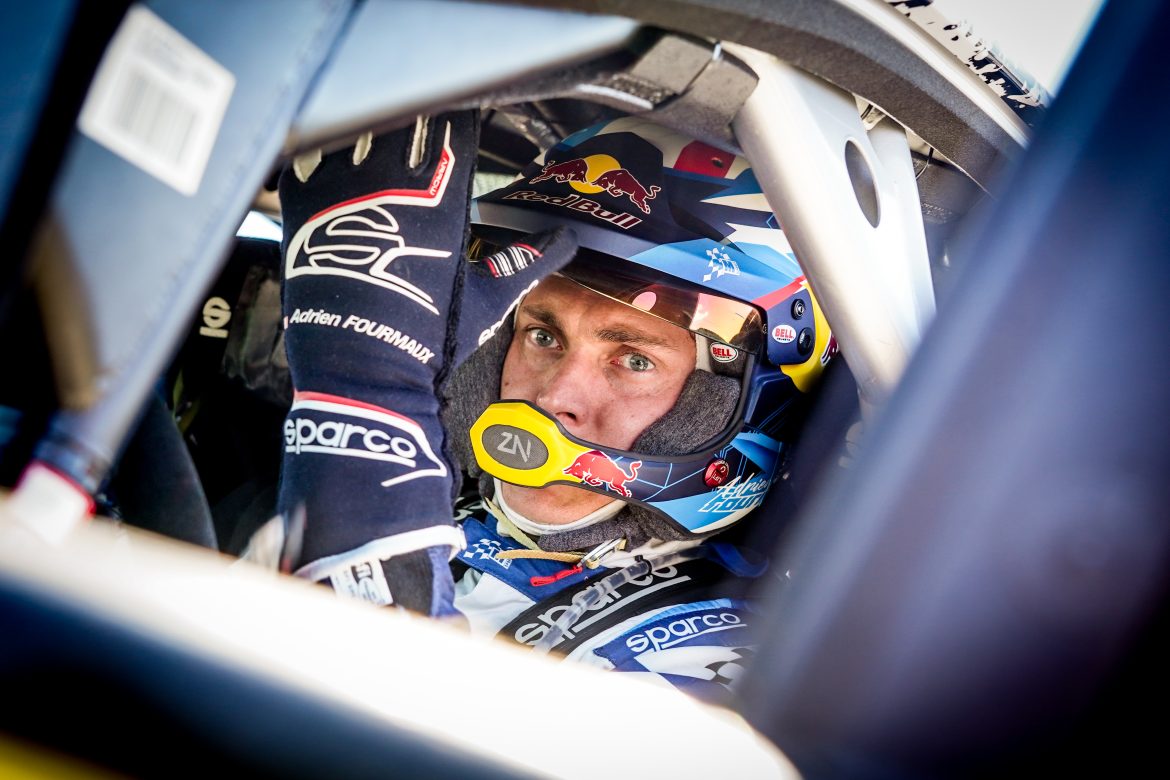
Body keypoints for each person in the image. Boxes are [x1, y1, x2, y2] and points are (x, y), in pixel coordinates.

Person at [271, 111, 832, 696]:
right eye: (542, 336)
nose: (553, 398)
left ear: (734, 403)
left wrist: (362, 470)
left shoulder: (717, 658)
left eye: (634, 360)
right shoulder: (435, 505)